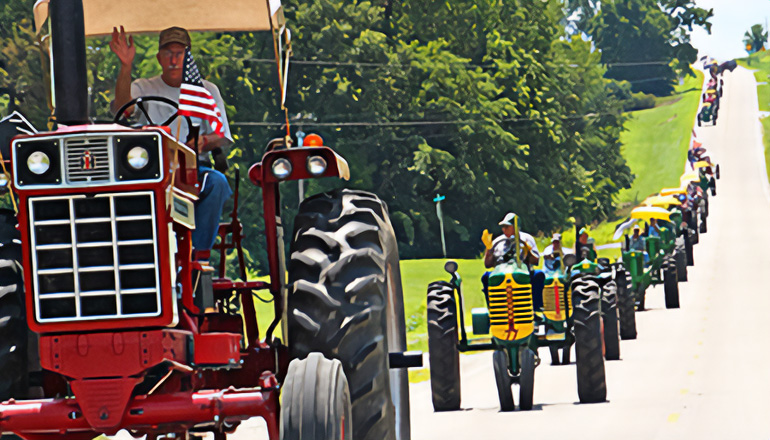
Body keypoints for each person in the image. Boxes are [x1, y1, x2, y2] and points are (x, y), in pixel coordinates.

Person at [110, 26, 233, 261]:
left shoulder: (206, 91)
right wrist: (126, 67)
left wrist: (202, 141)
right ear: (159, 58)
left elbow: (222, 135)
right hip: (147, 171)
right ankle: (133, 255)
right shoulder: (142, 87)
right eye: (168, 53)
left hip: (191, 170)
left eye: (180, 53)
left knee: (216, 182)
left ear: (189, 57)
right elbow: (123, 110)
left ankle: (198, 259)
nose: (174, 59)